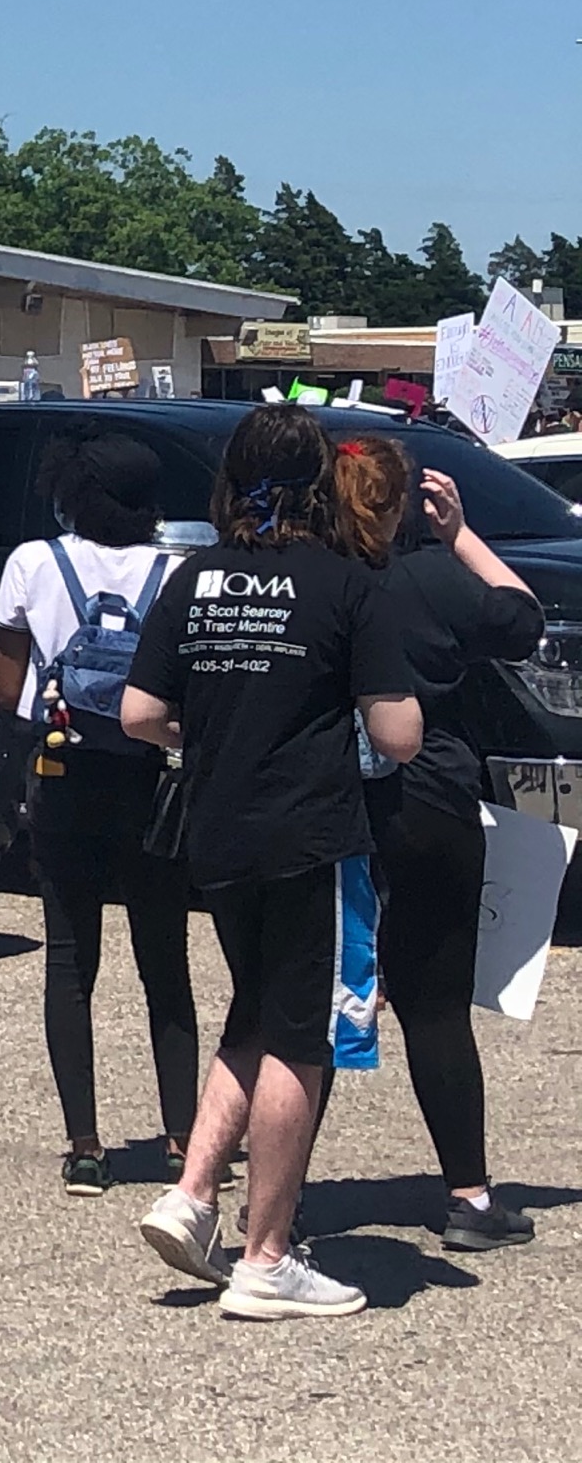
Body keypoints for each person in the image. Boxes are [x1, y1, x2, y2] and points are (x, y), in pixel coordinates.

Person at [124, 405, 422, 1320]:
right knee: (304, 1036)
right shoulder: (344, 585)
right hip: (310, 832)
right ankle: (267, 1254)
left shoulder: (196, 577)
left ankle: (194, 1191)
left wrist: (213, 738)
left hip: (215, 830)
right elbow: (398, 733)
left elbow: (139, 711)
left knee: (252, 1010)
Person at [329, 435, 538, 1252]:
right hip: (433, 804)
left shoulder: (321, 580)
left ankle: (274, 1197)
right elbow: (518, 616)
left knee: (311, 1004)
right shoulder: (434, 578)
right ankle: (470, 1195)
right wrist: (460, 534)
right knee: (437, 1006)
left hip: (334, 807)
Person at [0, 436, 198, 1196]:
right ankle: (183, 1139)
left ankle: (84, 1144)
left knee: (71, 960)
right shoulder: (177, 572)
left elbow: (9, 684)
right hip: (150, 780)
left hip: (63, 770)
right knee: (164, 964)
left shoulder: (33, 562)